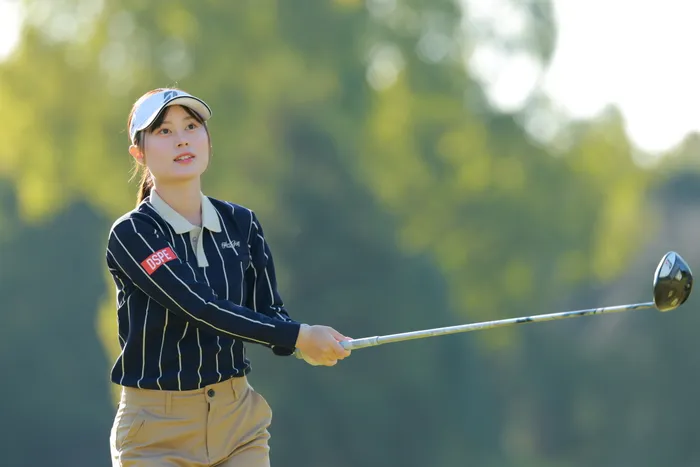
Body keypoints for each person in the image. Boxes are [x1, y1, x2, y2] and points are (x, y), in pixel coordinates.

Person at [106, 87, 351, 466]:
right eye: (164, 131)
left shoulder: (241, 223)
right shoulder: (133, 233)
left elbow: (269, 311)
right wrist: (299, 336)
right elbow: (198, 306)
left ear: (207, 139)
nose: (182, 139)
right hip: (154, 432)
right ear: (139, 153)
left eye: (191, 126)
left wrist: (306, 344)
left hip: (237, 424)